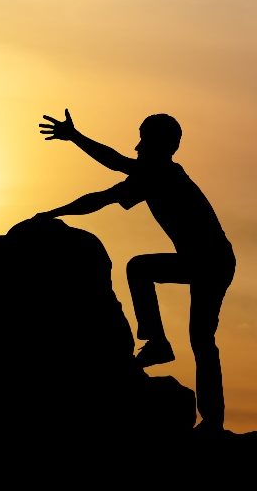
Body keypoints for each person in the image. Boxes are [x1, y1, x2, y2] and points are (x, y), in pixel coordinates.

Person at [33, 110, 236, 433]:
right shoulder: (151, 177)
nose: (137, 146)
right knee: (200, 337)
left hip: (212, 261)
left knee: (151, 280)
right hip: (211, 260)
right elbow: (103, 198)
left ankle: (161, 349)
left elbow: (115, 162)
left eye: (144, 139)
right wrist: (56, 212)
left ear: (161, 144)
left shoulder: (163, 174)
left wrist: (75, 138)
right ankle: (205, 409)